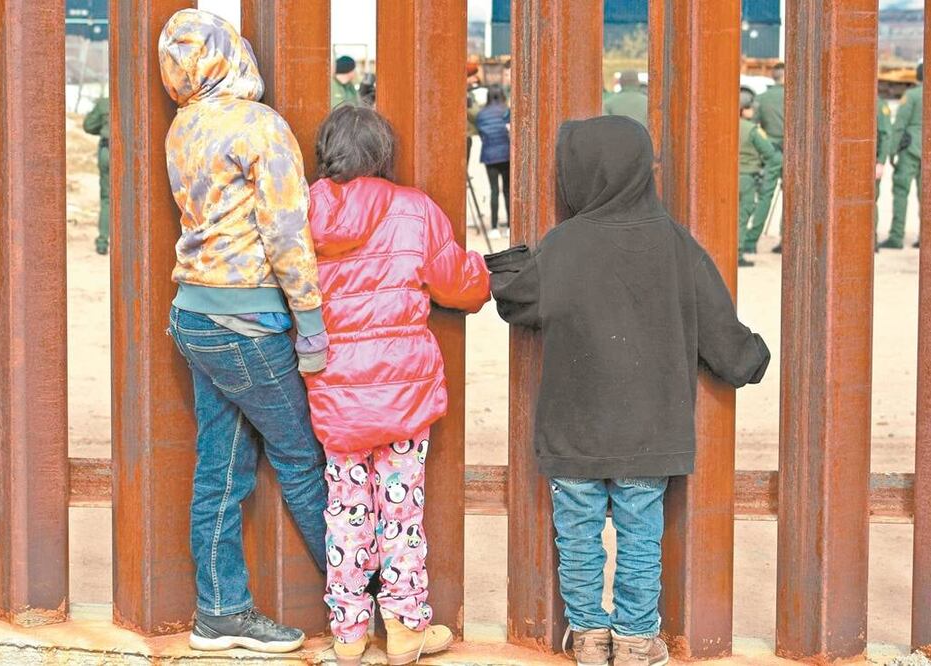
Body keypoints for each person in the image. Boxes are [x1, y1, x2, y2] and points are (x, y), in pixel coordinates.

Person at [486, 116, 770, 666]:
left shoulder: (566, 244)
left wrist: (511, 261)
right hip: (650, 428)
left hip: (574, 428)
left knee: (578, 534)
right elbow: (719, 327)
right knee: (642, 536)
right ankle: (638, 638)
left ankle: (589, 635)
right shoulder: (675, 243)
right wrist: (748, 358)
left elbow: (518, 301)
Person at [158, 10, 329, 654]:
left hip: (195, 316)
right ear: (233, 53)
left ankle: (221, 611)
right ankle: (368, 600)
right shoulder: (260, 126)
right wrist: (310, 327)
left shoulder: (184, 125)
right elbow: (287, 231)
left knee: (222, 469)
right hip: (248, 320)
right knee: (302, 459)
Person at [305, 104, 491, 665]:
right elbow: (458, 285)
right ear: (384, 154)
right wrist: (483, 274)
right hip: (403, 393)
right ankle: (407, 629)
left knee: (344, 510)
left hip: (336, 392)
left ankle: (348, 633)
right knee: (401, 510)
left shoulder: (303, 211)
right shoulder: (414, 210)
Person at [883, 63, 924, 250]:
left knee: (901, 192)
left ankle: (897, 236)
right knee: (926, 196)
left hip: (911, 149)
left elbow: (899, 125)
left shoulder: (912, 96)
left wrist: (891, 151)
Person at [738, 90, 779, 264]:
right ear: (743, 109)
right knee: (743, 214)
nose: (752, 111)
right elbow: (770, 153)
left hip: (729, 177)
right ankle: (738, 252)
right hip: (747, 177)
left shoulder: (722, 124)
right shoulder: (751, 130)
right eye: (749, 108)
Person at [749, 63, 785, 253]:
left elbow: (754, 126)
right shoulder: (797, 97)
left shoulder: (762, 99)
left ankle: (751, 240)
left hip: (770, 150)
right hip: (794, 152)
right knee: (793, 198)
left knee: (765, 196)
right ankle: (787, 240)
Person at [476, 86, 511, 239]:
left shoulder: (481, 114)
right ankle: (510, 226)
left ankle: (494, 227)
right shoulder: (507, 111)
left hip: (490, 156)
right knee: (508, 191)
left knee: (494, 191)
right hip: (506, 155)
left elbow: (481, 133)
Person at [82, 96, 110, 255]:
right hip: (127, 153)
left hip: (107, 151)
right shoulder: (134, 100)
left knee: (107, 198)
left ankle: (102, 242)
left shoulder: (104, 103)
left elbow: (88, 125)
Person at [875, 94, 892, 249]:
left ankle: (870, 240)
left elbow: (886, 135)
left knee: (870, 201)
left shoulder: (879, 104)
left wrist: (880, 162)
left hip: (871, 163)